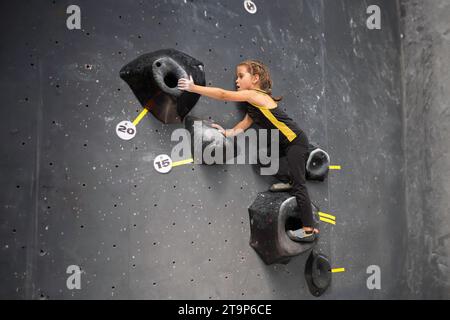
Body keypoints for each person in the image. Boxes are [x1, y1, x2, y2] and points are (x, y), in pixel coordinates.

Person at [177, 60, 318, 242]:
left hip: (295, 141)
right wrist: (227, 132)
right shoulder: (253, 105)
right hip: (284, 143)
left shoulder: (255, 96)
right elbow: (244, 124)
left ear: (255, 79)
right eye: (237, 77)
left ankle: (308, 229)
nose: (237, 81)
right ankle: (290, 179)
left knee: (300, 185)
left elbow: (222, 94)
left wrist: (193, 87)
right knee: (263, 160)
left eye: (241, 76)